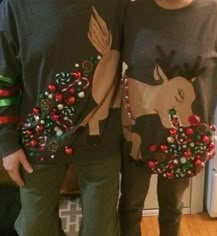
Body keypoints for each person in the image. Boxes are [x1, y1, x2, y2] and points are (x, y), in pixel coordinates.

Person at [0, 0, 128, 236]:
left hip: (100, 141)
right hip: (38, 142)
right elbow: (5, 78)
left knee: (101, 230)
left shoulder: (117, 4)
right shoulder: (14, 6)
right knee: (34, 228)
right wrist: (7, 143)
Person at [118, 0, 217, 236]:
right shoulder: (132, 12)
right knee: (130, 206)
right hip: (136, 136)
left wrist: (215, 87)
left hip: (184, 141)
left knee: (171, 209)